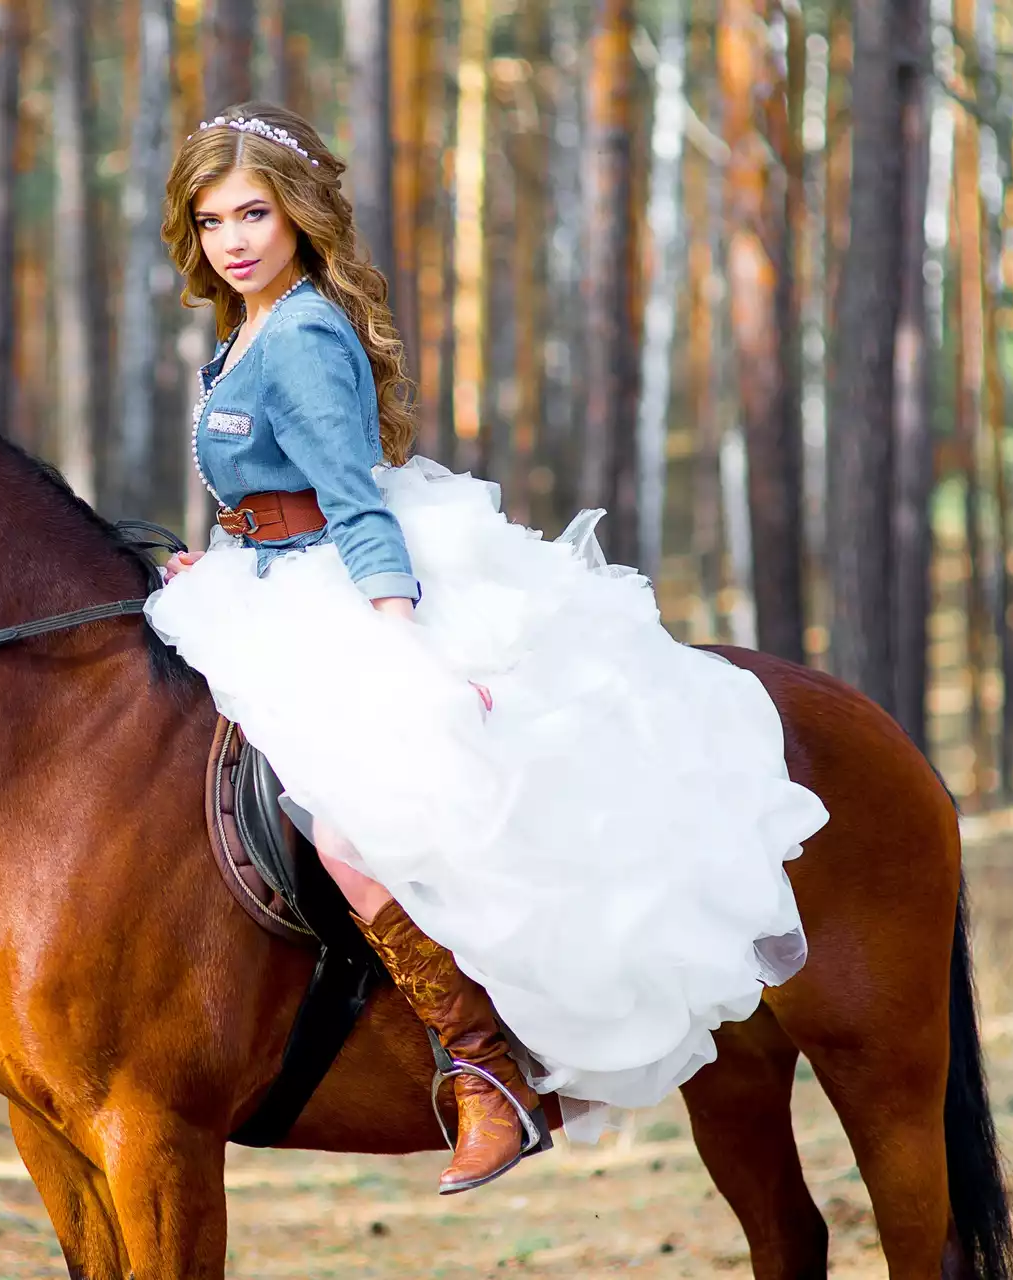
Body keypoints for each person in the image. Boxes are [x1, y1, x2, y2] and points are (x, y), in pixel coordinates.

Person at [143, 103, 831, 1196]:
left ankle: (485, 1064)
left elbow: (353, 501)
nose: (234, 238)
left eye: (255, 214)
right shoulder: (248, 324)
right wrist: (222, 563)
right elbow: (266, 497)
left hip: (349, 583)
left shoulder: (307, 332)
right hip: (270, 580)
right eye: (213, 218)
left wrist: (398, 639)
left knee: (347, 823)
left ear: (299, 215)